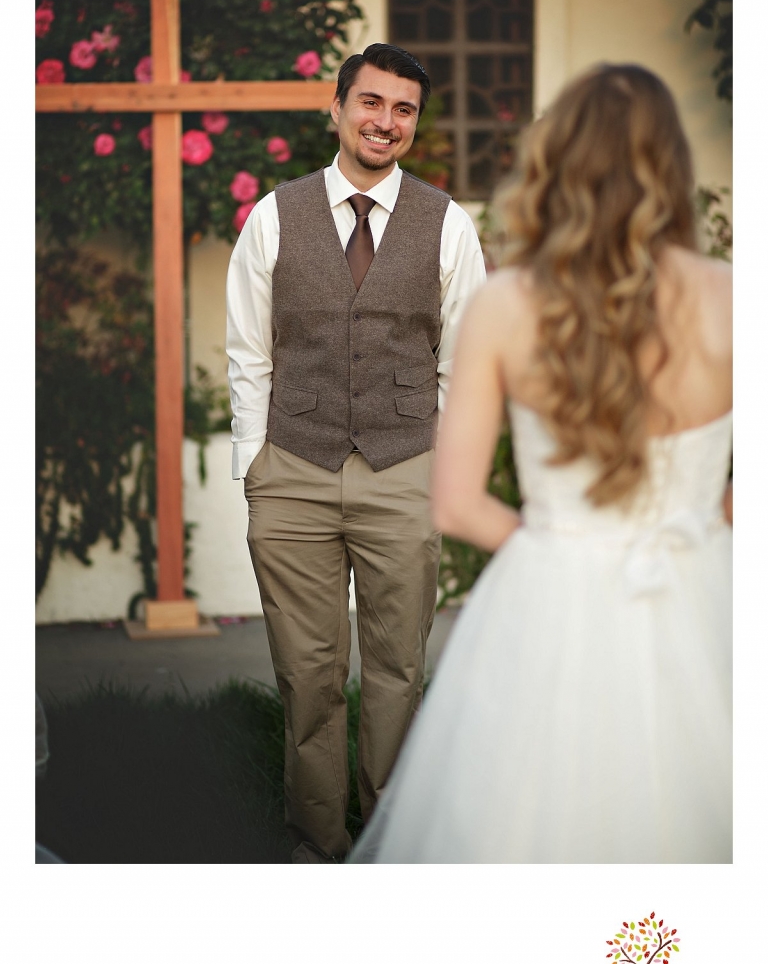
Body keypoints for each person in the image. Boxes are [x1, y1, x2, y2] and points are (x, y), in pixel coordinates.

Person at [349, 63, 732, 864]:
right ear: (672, 167)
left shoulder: (506, 304)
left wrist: (564, 546)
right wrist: (699, 521)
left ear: (555, 162)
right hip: (704, 590)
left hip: (552, 601)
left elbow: (454, 505)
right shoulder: (736, 299)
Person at [226, 42, 486, 862]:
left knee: (396, 674)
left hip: (404, 468)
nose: (385, 121)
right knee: (307, 676)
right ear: (335, 109)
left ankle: (391, 840)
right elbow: (247, 350)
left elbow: (464, 359)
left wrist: (434, 461)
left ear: (416, 122)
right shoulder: (274, 215)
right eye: (370, 103)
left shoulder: (448, 224)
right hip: (292, 470)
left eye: (403, 108)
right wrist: (255, 463)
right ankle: (318, 841)